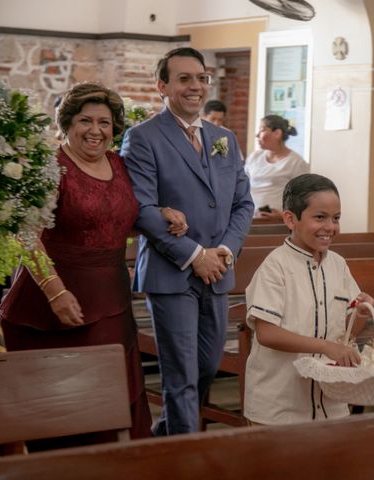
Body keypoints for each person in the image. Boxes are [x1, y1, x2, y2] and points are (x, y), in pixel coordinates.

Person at [0, 82, 187, 444]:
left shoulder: (120, 164)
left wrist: (161, 214)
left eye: (104, 122)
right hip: (50, 302)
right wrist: (56, 293)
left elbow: (116, 218)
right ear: (66, 123)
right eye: (85, 120)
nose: (96, 131)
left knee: (108, 399)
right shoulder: (49, 166)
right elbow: (26, 235)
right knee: (54, 408)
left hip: (110, 298)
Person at [121, 47, 254, 435]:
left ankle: (164, 442)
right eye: (184, 79)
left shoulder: (224, 138)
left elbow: (243, 203)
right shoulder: (143, 137)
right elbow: (142, 208)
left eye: (200, 78)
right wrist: (195, 254)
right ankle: (186, 463)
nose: (195, 86)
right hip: (172, 272)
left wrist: (224, 252)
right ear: (162, 86)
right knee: (180, 375)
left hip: (217, 272)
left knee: (206, 368)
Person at [243, 173, 374, 425]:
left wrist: (359, 314)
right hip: (280, 407)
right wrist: (325, 346)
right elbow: (267, 333)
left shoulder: (338, 265)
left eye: (336, 218)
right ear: (290, 219)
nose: (330, 227)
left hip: (331, 404)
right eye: (320, 217)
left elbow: (348, 334)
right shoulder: (275, 267)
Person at [244, 115, 309, 220]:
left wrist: (284, 216)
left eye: (261, 130)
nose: (257, 135)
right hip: (250, 218)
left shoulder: (296, 162)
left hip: (280, 221)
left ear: (277, 133)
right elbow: (242, 186)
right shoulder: (254, 157)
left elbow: (304, 197)